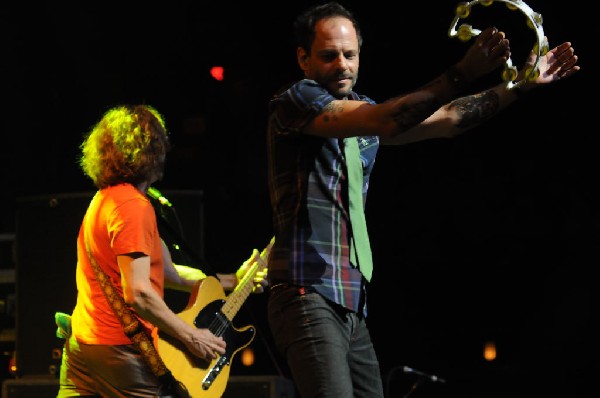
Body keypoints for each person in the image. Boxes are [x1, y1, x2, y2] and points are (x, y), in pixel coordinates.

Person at [265, 2, 580, 397]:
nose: (342, 65)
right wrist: (462, 72)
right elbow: (385, 118)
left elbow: (446, 120)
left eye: (350, 54)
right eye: (329, 56)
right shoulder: (295, 100)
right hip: (305, 291)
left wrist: (520, 85)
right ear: (304, 59)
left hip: (350, 300)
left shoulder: (366, 114)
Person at [57, 104, 268, 397]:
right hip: (120, 352)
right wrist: (193, 337)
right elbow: (140, 294)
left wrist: (236, 279)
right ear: (154, 151)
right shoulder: (132, 207)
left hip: (83, 347)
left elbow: (168, 272)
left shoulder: (105, 200)